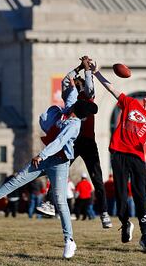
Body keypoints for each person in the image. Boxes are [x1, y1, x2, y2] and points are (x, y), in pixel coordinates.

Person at [0, 72, 98, 259]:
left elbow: (59, 143)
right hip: (46, 158)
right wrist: (77, 69)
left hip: (59, 162)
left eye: (76, 103)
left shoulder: (74, 124)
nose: (72, 100)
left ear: (78, 111)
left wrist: (41, 154)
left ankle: (69, 241)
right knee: (17, 179)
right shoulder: (69, 109)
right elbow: (67, 84)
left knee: (61, 202)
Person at [91, 60, 146, 252]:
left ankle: (145, 235)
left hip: (136, 157)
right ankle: (125, 223)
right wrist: (97, 73)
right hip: (118, 153)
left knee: (140, 195)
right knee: (122, 194)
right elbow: (112, 89)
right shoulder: (130, 103)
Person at [38, 56, 113, 228]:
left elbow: (89, 84)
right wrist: (79, 67)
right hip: (72, 140)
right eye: (76, 84)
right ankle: (49, 203)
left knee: (97, 177)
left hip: (87, 141)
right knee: (58, 169)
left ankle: (104, 212)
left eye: (78, 84)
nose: (76, 85)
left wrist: (87, 70)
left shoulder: (88, 97)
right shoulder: (70, 99)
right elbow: (66, 79)